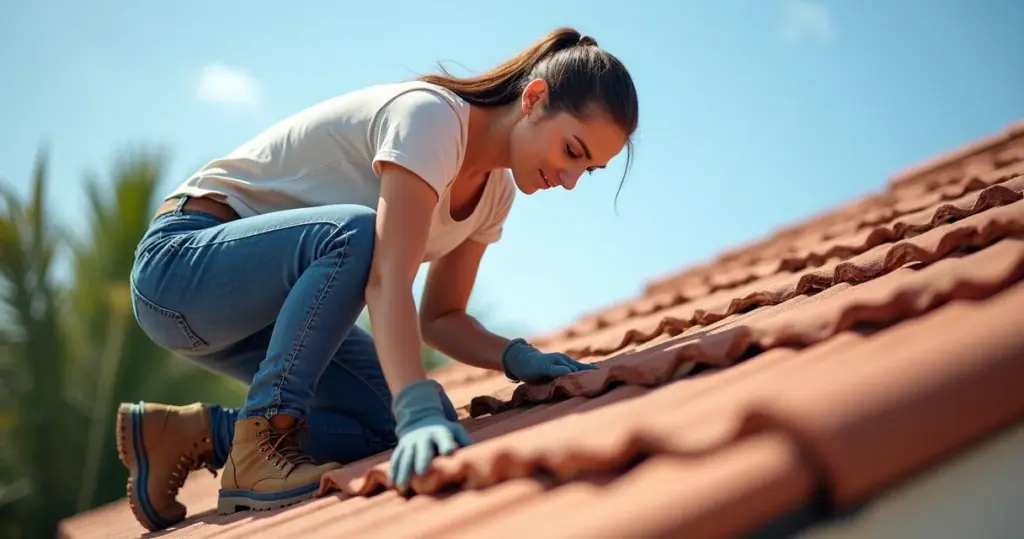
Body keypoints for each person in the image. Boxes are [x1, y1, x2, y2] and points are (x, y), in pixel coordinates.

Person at [116, 26, 639, 531]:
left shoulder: (495, 195)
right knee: (359, 236)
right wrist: (412, 405)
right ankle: (262, 442)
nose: (570, 181)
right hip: (178, 270)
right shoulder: (431, 119)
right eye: (572, 151)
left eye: (587, 169)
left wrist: (514, 357)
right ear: (534, 98)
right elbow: (388, 277)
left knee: (388, 422)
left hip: (264, 316)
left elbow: (441, 318)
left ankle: (194, 435)